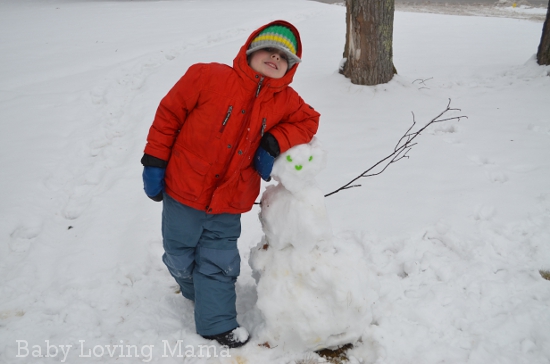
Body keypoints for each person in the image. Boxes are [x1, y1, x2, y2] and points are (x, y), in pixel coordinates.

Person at [141, 20, 320, 348]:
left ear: (290, 68)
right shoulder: (207, 76)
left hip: (230, 200)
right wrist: (154, 161)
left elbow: (310, 120)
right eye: (269, 49)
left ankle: (216, 323)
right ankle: (191, 286)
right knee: (179, 255)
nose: (275, 58)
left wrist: (275, 141)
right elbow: (169, 116)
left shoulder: (286, 101)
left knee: (218, 261)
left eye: (284, 57)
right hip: (183, 189)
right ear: (251, 50)